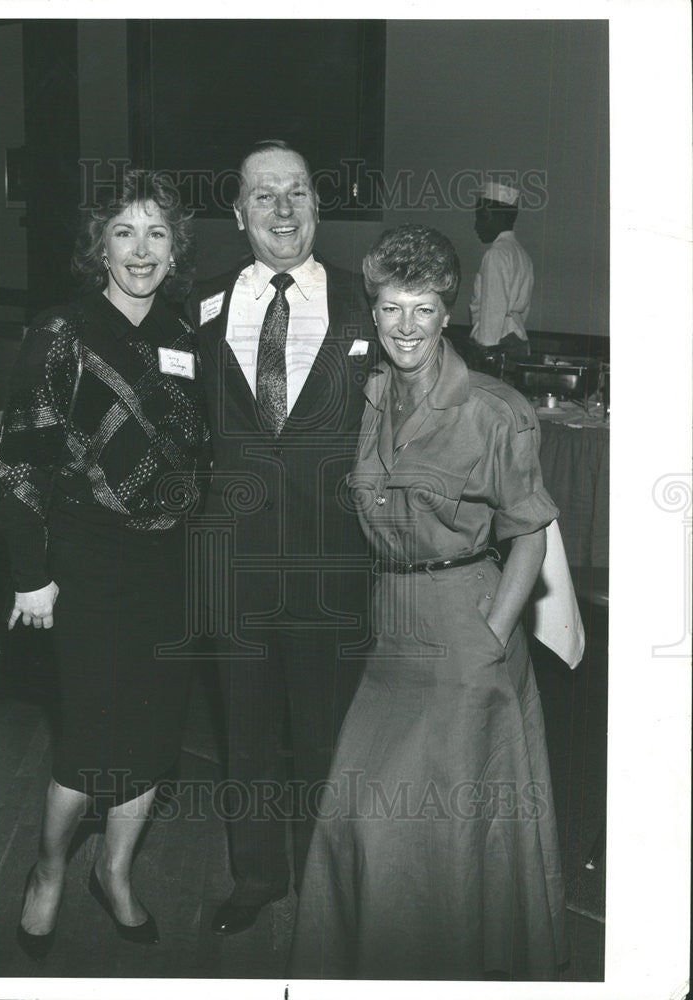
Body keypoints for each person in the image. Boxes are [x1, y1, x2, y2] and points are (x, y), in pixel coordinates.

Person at [289, 224, 567, 980]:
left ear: (448, 312)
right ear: (371, 312)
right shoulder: (375, 395)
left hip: (464, 626)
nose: (405, 326)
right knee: (360, 820)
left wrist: (491, 636)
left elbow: (532, 540)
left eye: (422, 308)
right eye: (390, 309)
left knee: (421, 831)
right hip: (391, 631)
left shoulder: (492, 409)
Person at [0, 169, 210, 960]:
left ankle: (114, 873)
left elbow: (201, 459)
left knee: (154, 735)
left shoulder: (186, 337)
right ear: (100, 245)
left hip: (169, 565)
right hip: (83, 564)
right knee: (89, 739)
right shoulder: (62, 331)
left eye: (156, 232)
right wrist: (29, 577)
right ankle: (49, 871)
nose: (142, 249)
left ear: (174, 245)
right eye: (124, 231)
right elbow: (19, 468)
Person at [192, 140, 376, 936]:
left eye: (297, 191)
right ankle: (258, 876)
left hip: (332, 566)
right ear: (238, 214)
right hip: (232, 565)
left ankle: (332, 882)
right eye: (263, 195)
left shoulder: (367, 306)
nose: (282, 209)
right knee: (248, 734)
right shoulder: (195, 308)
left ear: (316, 204)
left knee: (330, 734)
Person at [469, 180, 533, 358]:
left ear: (490, 215)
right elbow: (523, 310)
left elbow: (492, 309)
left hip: (497, 347)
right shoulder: (521, 254)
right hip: (517, 340)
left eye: (479, 217)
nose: (476, 226)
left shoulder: (496, 254)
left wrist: (485, 355)